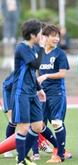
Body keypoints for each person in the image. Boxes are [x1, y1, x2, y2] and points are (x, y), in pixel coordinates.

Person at [11, 19, 45, 165]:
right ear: (32, 35)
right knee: (23, 127)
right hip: (21, 93)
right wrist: (43, 48)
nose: (42, 35)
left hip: (31, 92)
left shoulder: (32, 48)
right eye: (40, 33)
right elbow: (36, 65)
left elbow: (31, 73)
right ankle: (21, 160)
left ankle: (23, 155)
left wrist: (39, 89)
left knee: (38, 126)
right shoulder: (22, 48)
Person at [37, 24, 72, 163]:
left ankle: (59, 155)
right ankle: (59, 148)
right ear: (45, 37)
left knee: (57, 122)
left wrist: (46, 76)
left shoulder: (60, 53)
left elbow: (62, 73)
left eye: (58, 36)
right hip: (42, 94)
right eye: (53, 36)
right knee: (39, 125)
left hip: (56, 92)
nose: (56, 38)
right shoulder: (39, 53)